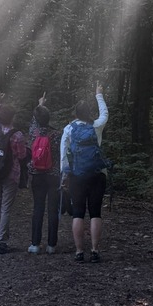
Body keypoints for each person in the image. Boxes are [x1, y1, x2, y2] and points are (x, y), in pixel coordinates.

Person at [60, 83, 108, 263]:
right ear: (89, 113)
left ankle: (79, 251)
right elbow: (104, 114)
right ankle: (95, 250)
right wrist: (99, 94)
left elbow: (64, 155)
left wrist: (64, 177)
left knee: (78, 213)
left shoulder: (69, 129)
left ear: (75, 113)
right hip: (97, 174)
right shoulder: (96, 126)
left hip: (76, 175)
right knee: (96, 212)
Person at [0, 92, 26, 255]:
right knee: (5, 208)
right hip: (10, 175)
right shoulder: (17, 135)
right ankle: (2, 242)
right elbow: (22, 155)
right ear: (12, 118)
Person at [25, 92, 60, 255]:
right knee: (53, 209)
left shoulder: (33, 133)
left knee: (38, 208)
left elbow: (34, 120)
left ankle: (35, 244)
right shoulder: (56, 135)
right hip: (53, 175)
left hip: (37, 174)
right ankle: (52, 245)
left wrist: (40, 104)